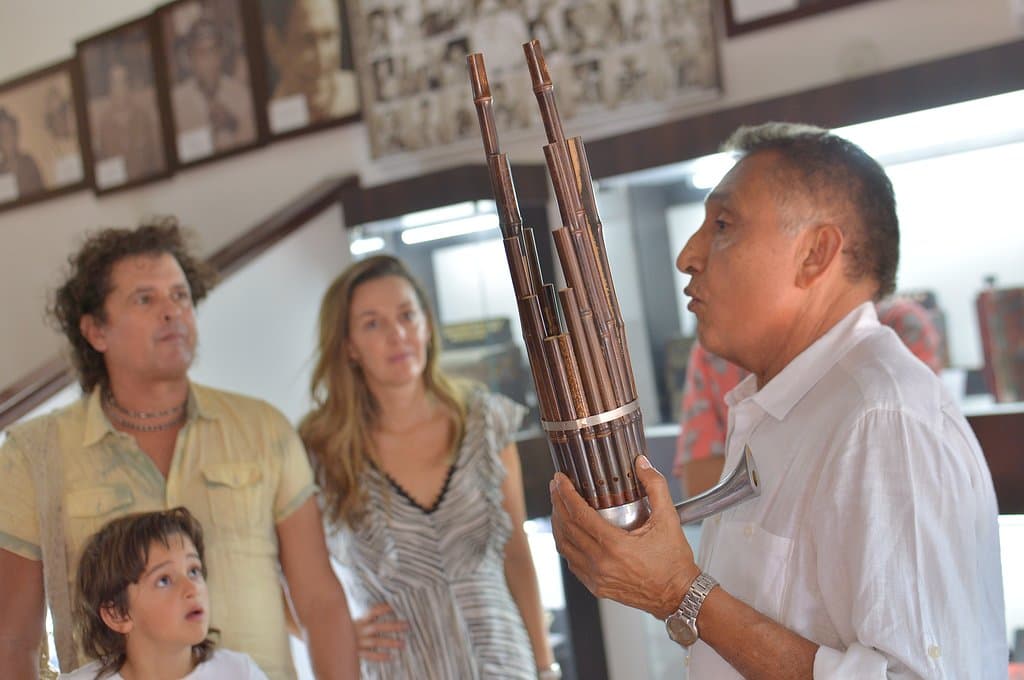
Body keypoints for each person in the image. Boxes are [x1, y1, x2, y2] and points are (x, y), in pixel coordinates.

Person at [549, 122, 1006, 677]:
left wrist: (679, 592)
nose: (688, 256)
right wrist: (664, 587)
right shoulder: (784, 404)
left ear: (815, 253)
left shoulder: (884, 417)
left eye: (723, 225)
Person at [0, 219, 358, 680]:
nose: (172, 311)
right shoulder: (34, 456)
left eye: (180, 295)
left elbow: (320, 601)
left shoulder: (262, 429)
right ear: (95, 331)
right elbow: (13, 640)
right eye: (145, 299)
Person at [299, 255, 560, 679]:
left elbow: (517, 557)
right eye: (373, 323)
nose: (398, 334)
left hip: (504, 663)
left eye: (407, 315)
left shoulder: (484, 422)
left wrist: (546, 668)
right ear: (348, 346)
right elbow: (286, 581)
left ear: (427, 325)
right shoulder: (321, 452)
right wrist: (337, 632)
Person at [673, 296, 944, 497]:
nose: (690, 259)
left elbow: (903, 462)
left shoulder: (898, 325)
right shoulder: (715, 350)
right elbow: (701, 486)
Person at [60, 507, 266, 679]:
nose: (192, 588)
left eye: (194, 571)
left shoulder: (240, 673)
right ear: (118, 614)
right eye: (164, 580)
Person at [262, 0, 359, 124]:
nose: (321, 60)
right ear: (274, 46)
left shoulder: (361, 95)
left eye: (329, 36)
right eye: (308, 40)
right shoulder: (270, 121)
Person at [170, 15, 256, 155]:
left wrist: (233, 124)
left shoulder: (242, 95)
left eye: (213, 51)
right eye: (201, 54)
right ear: (190, 59)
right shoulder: (176, 103)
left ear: (221, 54)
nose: (209, 61)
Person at [94, 61, 163, 181]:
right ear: (110, 88)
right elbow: (103, 166)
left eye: (123, 82)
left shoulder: (143, 117)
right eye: (115, 83)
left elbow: (155, 160)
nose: (119, 88)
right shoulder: (104, 123)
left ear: (129, 85)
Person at [0, 106, 44, 198]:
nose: (6, 138)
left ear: (15, 134)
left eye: (9, 132)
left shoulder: (29, 162)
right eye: (2, 134)